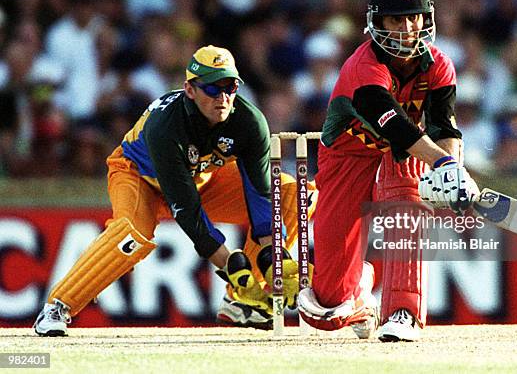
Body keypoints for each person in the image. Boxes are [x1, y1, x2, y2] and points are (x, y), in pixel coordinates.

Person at [34, 45, 314, 336]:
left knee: (296, 195)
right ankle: (58, 306)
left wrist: (273, 255)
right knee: (132, 233)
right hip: (139, 175)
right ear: (190, 90)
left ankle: (241, 302)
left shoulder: (249, 122)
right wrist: (229, 264)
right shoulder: (166, 126)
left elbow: (262, 194)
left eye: (230, 87)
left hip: (200, 178)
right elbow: (187, 210)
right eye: (212, 88)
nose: (223, 98)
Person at [297, 0, 479, 342]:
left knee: (407, 192)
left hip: (404, 152)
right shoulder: (363, 69)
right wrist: (443, 164)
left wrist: (454, 170)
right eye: (396, 20)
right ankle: (360, 292)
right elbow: (397, 127)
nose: (407, 29)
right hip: (348, 153)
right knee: (326, 306)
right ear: (376, 23)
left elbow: (445, 127)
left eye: (414, 18)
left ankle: (403, 311)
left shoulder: (439, 65)